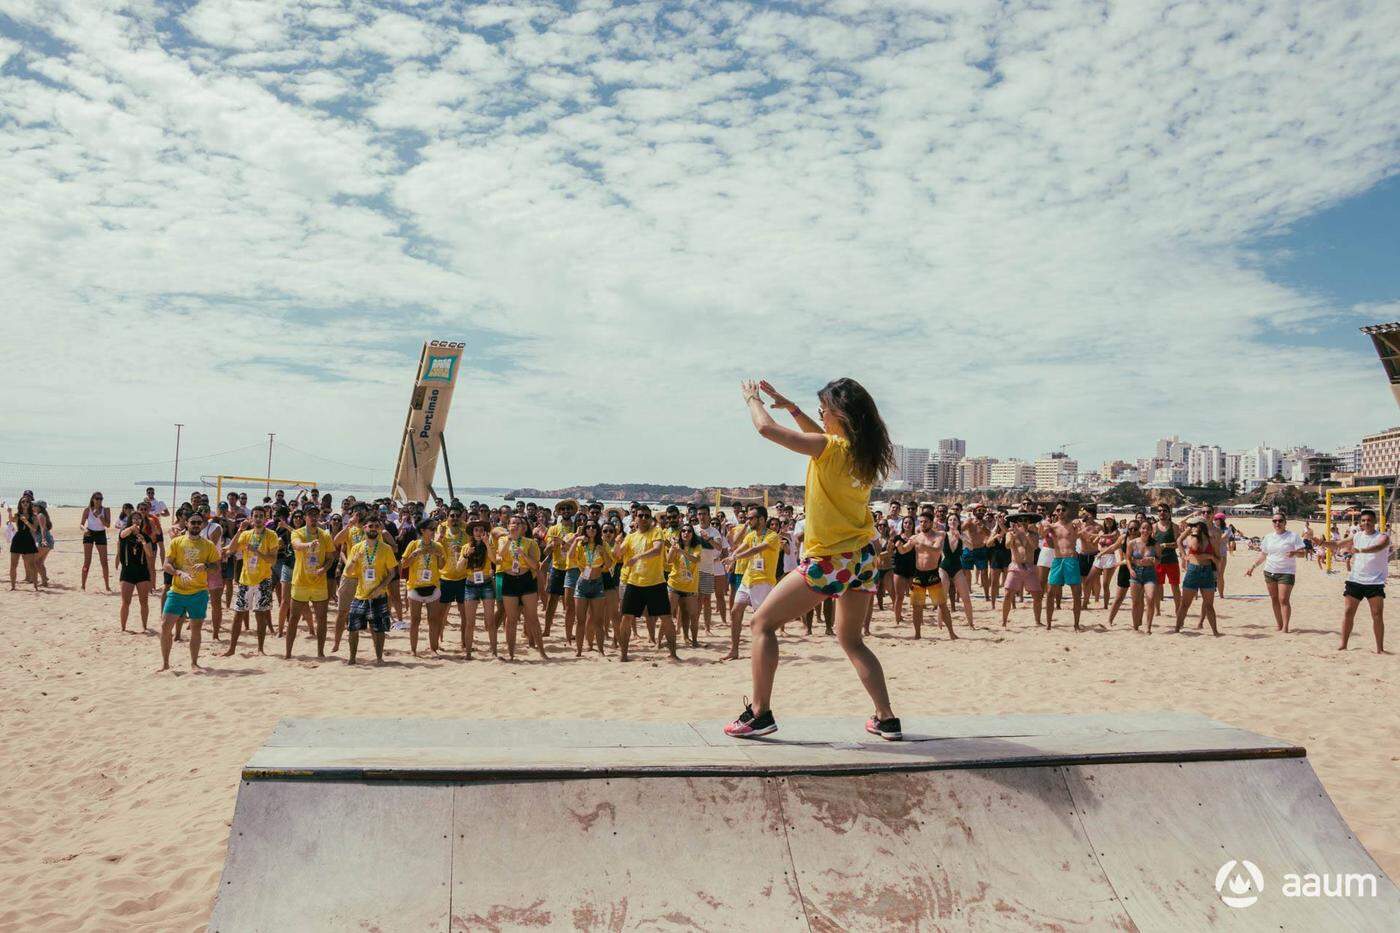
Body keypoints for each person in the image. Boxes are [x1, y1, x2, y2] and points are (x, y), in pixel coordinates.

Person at [724, 378, 899, 741]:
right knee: (851, 641)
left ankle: (760, 713)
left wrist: (752, 399)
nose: (819, 412)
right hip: (863, 559)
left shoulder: (828, 448)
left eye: (823, 407)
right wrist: (794, 409)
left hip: (831, 560)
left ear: (840, 413)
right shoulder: (861, 454)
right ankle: (886, 718)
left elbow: (765, 429)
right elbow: (819, 436)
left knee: (762, 625)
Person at [1310, 509, 1389, 652]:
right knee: (1348, 612)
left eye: (1369, 520)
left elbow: (1378, 547)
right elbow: (1337, 544)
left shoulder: (1382, 537)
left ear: (1375, 522)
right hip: (1355, 579)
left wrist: (1360, 551)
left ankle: (1380, 649)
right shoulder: (1357, 535)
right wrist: (1321, 542)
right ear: (1360, 523)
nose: (1366, 523)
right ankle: (1343, 644)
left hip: (1374, 581)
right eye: (1363, 520)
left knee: (1377, 615)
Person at [159, 512, 220, 671]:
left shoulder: (208, 545)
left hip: (198, 592)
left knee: (196, 629)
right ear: (186, 523)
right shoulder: (177, 542)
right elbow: (166, 564)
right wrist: (178, 572)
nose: (195, 525)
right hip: (177, 591)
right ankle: (165, 664)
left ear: (202, 525)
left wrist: (205, 566)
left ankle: (194, 663)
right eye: (193, 522)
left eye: (199, 523)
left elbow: (216, 567)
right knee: (166, 627)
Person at [723, 505, 782, 660]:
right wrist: (732, 558)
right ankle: (734, 650)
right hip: (747, 580)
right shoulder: (750, 535)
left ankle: (762, 650)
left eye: (751, 518)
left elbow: (755, 550)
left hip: (763, 582)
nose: (748, 521)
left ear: (761, 519)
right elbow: (739, 547)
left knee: (760, 621)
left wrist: (734, 558)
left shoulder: (772, 536)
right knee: (735, 612)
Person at [222, 508, 281, 655]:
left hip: (263, 580)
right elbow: (231, 549)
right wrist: (239, 531)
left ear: (266, 518)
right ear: (251, 518)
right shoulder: (246, 534)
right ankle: (231, 649)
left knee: (260, 615)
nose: (259, 519)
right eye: (256, 516)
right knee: (238, 614)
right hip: (245, 580)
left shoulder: (271, 535)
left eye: (261, 516)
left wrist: (257, 552)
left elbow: (273, 560)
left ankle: (260, 649)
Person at [341, 514, 398, 664]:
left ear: (379, 529)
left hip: (379, 595)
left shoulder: (386, 548)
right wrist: (354, 559)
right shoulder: (356, 548)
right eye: (370, 526)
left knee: (379, 629)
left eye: (376, 526)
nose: (373, 529)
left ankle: (379, 658)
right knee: (353, 628)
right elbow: (348, 572)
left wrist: (381, 588)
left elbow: (392, 572)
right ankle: (352, 658)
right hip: (360, 594)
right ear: (364, 528)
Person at [619, 505, 671, 661]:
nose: (643, 518)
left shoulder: (656, 532)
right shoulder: (630, 536)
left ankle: (673, 653)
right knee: (626, 618)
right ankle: (624, 655)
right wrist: (616, 542)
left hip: (656, 582)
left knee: (666, 618)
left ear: (650, 518)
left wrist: (637, 557)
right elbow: (617, 554)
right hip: (634, 582)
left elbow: (657, 550)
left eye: (646, 516)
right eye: (640, 515)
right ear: (635, 517)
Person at [494, 515, 547, 660]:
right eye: (513, 523)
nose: (516, 525)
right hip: (509, 580)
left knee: (533, 618)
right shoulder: (502, 540)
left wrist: (523, 554)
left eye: (519, 523)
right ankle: (511, 654)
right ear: (508, 525)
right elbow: (500, 557)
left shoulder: (530, 542)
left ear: (523, 528)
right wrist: (509, 540)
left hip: (526, 580)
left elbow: (535, 566)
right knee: (511, 620)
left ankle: (542, 652)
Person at [285, 503, 334, 658]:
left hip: (319, 582)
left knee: (322, 618)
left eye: (315, 515)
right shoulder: (297, 532)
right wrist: (309, 545)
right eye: (310, 515)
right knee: (293, 618)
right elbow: (296, 545)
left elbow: (331, 558)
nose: (313, 517)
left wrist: (323, 569)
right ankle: (288, 653)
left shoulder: (325, 535)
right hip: (301, 581)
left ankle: (320, 652)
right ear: (305, 517)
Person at [1246, 513, 1306, 633]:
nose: (1277, 523)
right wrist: (1253, 566)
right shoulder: (1268, 537)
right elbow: (1263, 554)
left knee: (1283, 599)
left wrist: (1294, 553)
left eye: (1280, 521)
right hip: (1269, 571)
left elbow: (1303, 553)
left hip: (1286, 572)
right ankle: (1279, 625)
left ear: (1285, 522)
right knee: (1274, 599)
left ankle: (1285, 627)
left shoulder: (1293, 536)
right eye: (1274, 521)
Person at [904, 510, 956, 640]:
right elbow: (904, 549)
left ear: (931, 523)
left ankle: (951, 632)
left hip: (932, 573)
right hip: (918, 574)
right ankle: (917, 634)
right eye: (921, 521)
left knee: (942, 605)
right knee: (917, 606)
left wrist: (922, 545)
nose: (922, 524)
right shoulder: (915, 538)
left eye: (925, 522)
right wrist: (898, 546)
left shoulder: (938, 535)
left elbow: (937, 549)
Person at [401, 518, 448, 656]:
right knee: (415, 620)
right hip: (415, 586)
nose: (434, 532)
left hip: (432, 586)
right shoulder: (413, 544)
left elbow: (441, 566)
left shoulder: (437, 546)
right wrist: (415, 554)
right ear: (422, 530)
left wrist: (439, 556)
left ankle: (433, 649)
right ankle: (413, 650)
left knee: (433, 619)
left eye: (435, 529)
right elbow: (403, 564)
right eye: (432, 529)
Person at [569, 520, 613, 656]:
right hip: (582, 583)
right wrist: (576, 540)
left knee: (598, 620)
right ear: (585, 529)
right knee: (580, 620)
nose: (591, 529)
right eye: (588, 527)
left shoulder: (603, 544)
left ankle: (600, 650)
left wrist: (603, 552)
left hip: (597, 582)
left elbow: (610, 564)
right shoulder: (581, 544)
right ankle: (579, 650)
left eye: (594, 527)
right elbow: (570, 557)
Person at [456, 520, 498, 658]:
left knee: (490, 621)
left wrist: (486, 543)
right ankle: (468, 652)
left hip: (486, 583)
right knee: (470, 622)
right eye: (476, 530)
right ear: (472, 533)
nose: (479, 533)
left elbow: (494, 561)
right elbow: (458, 568)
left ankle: (494, 651)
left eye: (481, 530)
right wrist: (466, 555)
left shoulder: (489, 545)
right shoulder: (466, 547)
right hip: (470, 584)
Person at [1174, 516, 1220, 635]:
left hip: (1207, 571)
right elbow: (1181, 541)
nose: (1190, 528)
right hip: (1193, 570)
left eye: (1193, 525)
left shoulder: (1211, 540)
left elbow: (1218, 559)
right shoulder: (1191, 538)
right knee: (1185, 604)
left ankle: (1215, 631)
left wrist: (1210, 557)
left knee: (1209, 605)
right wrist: (1184, 556)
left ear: (1200, 526)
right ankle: (1177, 628)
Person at [1043, 502, 1083, 630]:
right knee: (1050, 592)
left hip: (1071, 559)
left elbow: (1082, 534)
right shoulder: (1053, 527)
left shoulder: (1073, 525)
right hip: (1058, 560)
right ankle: (1048, 624)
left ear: (1067, 511)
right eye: (1058, 510)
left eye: (1063, 510)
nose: (1060, 512)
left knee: (1076, 593)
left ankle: (1076, 624)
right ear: (1055, 512)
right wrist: (1044, 527)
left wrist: (1079, 525)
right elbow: (1042, 536)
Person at [1001, 514, 1044, 627]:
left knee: (1037, 595)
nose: (1023, 522)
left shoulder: (1033, 534)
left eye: (1026, 520)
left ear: (1029, 522)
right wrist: (1015, 536)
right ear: (1017, 522)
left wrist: (1025, 534)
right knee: (1007, 594)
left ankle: (1038, 621)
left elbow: (1034, 546)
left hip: (1030, 567)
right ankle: (1004, 621)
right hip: (1015, 567)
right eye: (1021, 520)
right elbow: (1007, 545)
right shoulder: (1010, 533)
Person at [667, 524, 704, 652]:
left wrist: (682, 551)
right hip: (674, 584)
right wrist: (673, 548)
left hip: (690, 586)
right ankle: (661, 641)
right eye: (683, 530)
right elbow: (669, 561)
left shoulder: (697, 546)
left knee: (691, 615)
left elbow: (696, 559)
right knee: (668, 614)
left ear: (692, 534)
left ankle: (692, 640)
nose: (686, 533)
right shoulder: (675, 546)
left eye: (689, 531)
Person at [117, 510, 155, 631]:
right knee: (125, 602)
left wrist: (143, 541)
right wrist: (132, 528)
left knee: (144, 601)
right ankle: (123, 627)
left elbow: (149, 554)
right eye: (134, 518)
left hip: (142, 572)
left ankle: (144, 626)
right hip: (127, 571)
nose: (136, 520)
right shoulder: (125, 533)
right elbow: (122, 535)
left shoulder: (145, 536)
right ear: (130, 521)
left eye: (139, 519)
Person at [1126, 520, 1159, 633]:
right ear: (1140, 529)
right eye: (1143, 528)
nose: (1145, 530)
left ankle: (1148, 627)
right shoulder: (1132, 543)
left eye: (1148, 528)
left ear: (1151, 531)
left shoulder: (1155, 544)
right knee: (1135, 602)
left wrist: (1153, 559)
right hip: (1136, 573)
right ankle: (1135, 626)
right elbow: (1128, 558)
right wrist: (1130, 570)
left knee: (1150, 598)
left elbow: (1159, 560)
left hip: (1150, 573)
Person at [80, 491, 112, 591]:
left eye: (101, 499)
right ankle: (83, 585)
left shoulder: (106, 510)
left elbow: (107, 525)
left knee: (104, 562)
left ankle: (107, 586)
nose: (99, 501)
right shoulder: (87, 510)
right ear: (93, 499)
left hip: (100, 534)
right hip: (89, 533)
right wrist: (84, 529)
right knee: (87, 561)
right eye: (97, 498)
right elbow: (81, 524)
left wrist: (99, 515)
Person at [7, 498, 40, 592]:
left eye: (27, 502)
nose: (25, 503)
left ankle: (35, 586)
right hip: (18, 539)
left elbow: (34, 529)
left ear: (30, 504)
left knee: (31, 565)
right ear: (20, 504)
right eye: (23, 502)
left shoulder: (34, 516)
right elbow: (11, 520)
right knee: (13, 564)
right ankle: (13, 586)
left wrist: (26, 522)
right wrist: (9, 512)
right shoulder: (17, 515)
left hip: (28, 539)